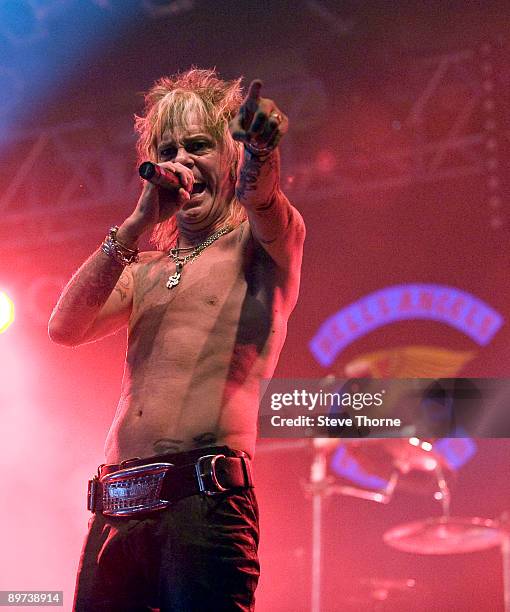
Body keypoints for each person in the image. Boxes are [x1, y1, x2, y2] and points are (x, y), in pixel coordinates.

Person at [48, 68, 305, 611]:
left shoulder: (260, 248)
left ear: (229, 156)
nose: (182, 162)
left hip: (203, 505)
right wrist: (138, 222)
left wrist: (260, 148)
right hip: (116, 510)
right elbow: (63, 328)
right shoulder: (141, 270)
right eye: (169, 149)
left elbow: (262, 199)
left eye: (198, 146)